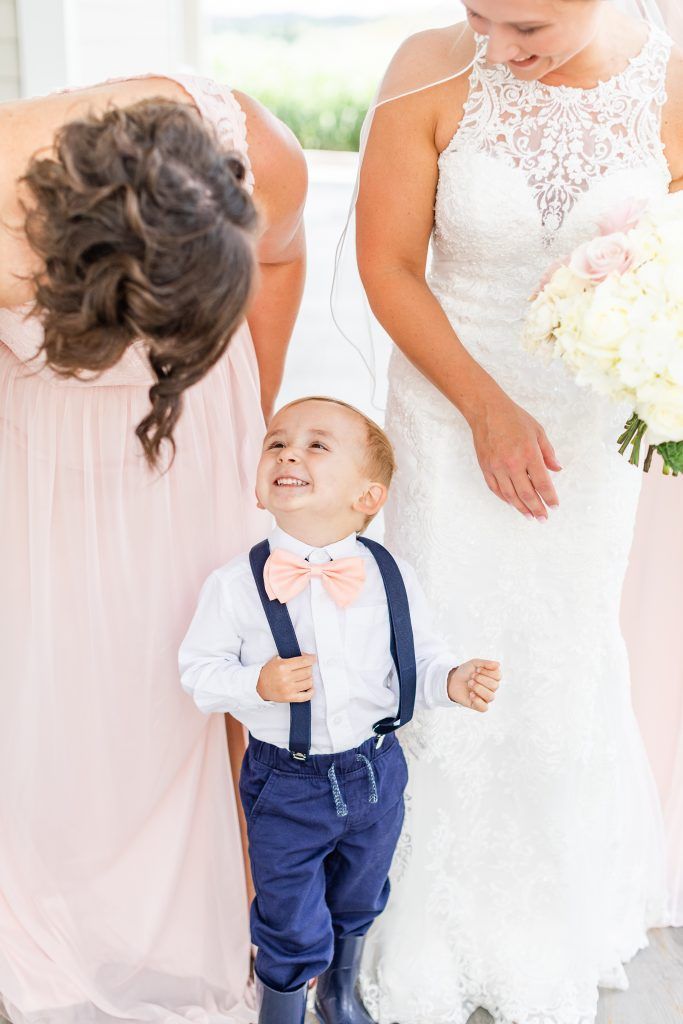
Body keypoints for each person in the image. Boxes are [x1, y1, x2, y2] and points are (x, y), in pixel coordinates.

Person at [353, 1, 683, 1021]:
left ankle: (549, 917)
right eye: (479, 16)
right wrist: (483, 407)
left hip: (585, 426)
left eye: (527, 24)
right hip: (448, 409)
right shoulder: (427, 69)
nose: (499, 46)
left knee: (560, 649)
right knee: (448, 642)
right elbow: (387, 266)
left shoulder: (668, 78)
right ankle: (426, 928)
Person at [0, 75, 306, 1023]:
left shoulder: (251, 148)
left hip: (199, 436)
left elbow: (283, 261)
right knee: (51, 684)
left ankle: (208, 916)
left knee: (201, 660)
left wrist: (253, 406)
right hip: (37, 450)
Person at [179, 396, 502, 1024]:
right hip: (285, 783)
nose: (289, 451)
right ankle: (282, 1009)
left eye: (317, 445)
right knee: (288, 908)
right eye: (277, 443)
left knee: (361, 892)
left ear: (368, 497)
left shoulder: (390, 575)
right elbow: (198, 673)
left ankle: (339, 993)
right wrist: (258, 684)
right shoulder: (234, 586)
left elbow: (417, 657)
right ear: (258, 485)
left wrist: (451, 680)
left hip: (376, 770)